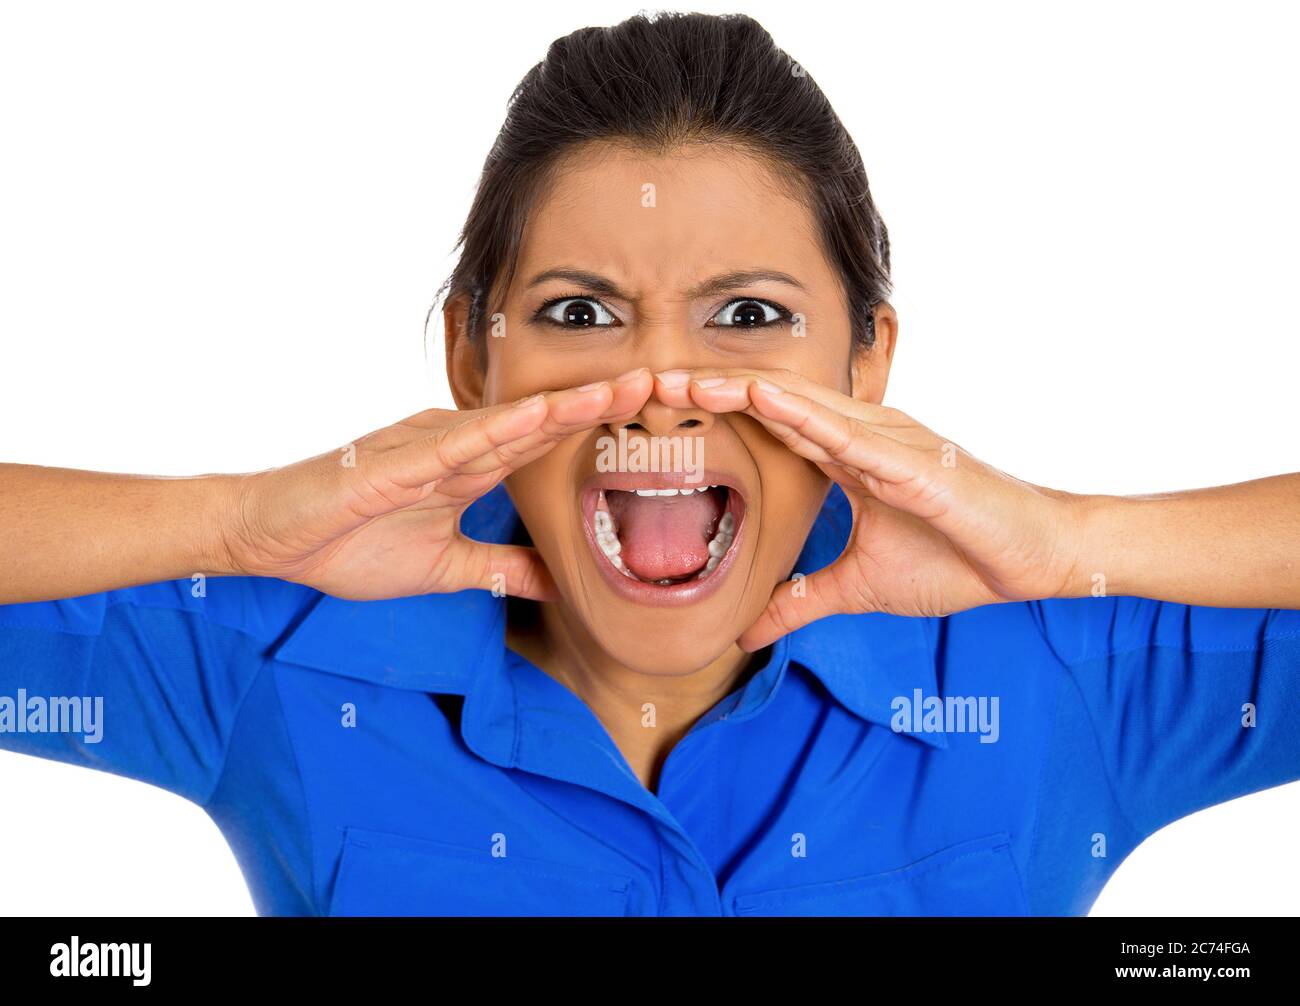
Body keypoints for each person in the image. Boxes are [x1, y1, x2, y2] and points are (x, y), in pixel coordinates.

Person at [1, 11, 1297, 917]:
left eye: (747, 316)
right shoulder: (283, 651)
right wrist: (229, 523)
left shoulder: (1056, 660)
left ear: (866, 364)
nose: (666, 386)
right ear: (472, 357)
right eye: (577, 313)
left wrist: (1076, 538)